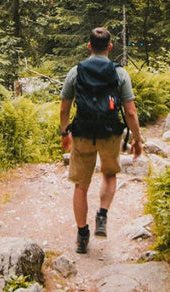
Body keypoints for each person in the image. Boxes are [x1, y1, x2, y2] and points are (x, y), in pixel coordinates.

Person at [60, 27, 143, 254]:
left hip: (83, 133)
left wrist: (64, 133)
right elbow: (131, 112)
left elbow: (65, 107)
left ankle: (82, 234)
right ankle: (103, 214)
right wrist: (137, 141)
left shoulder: (75, 72)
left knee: (81, 185)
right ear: (110, 47)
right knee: (109, 175)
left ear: (89, 47)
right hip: (109, 134)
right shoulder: (120, 73)